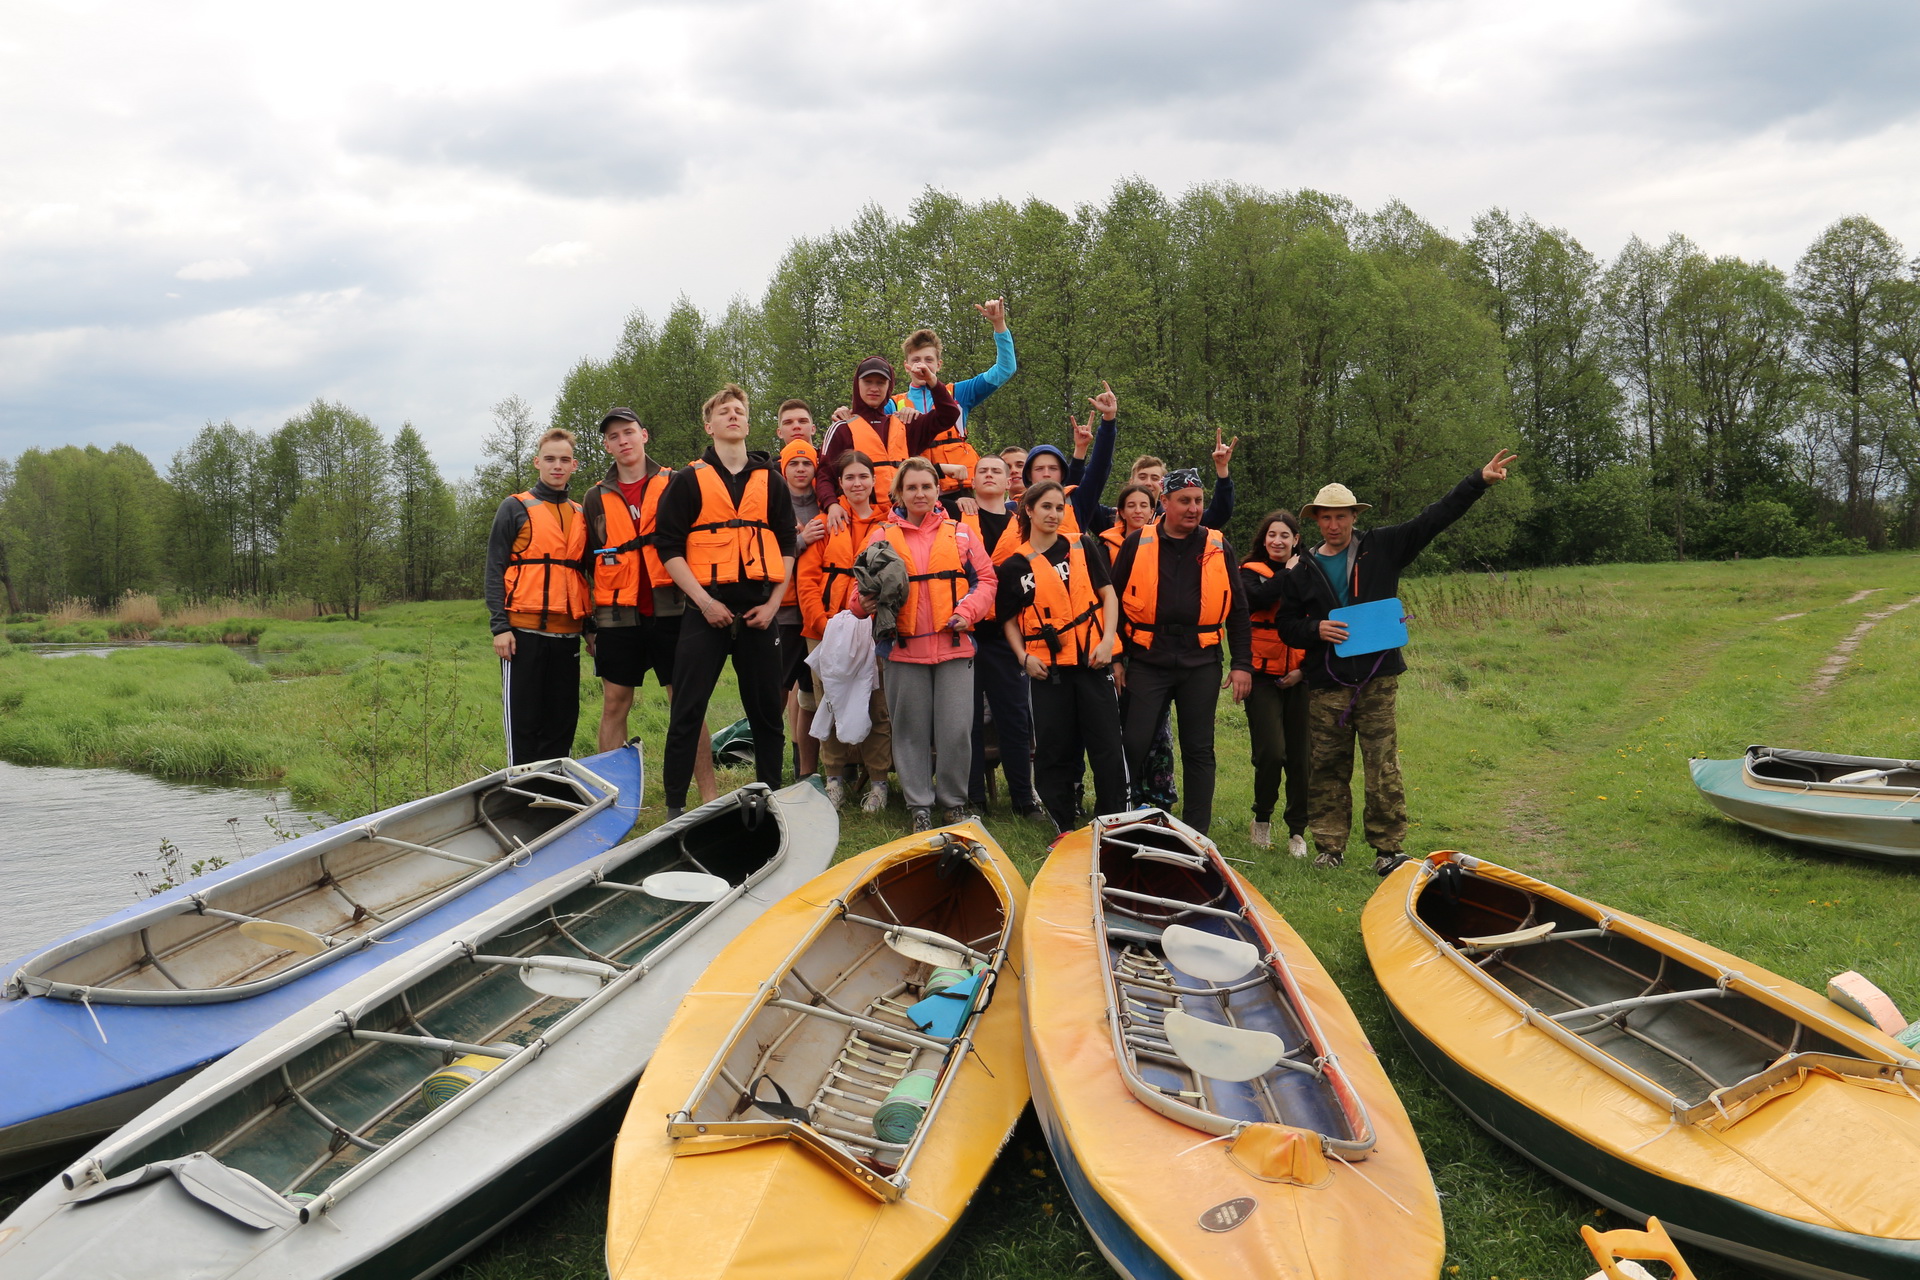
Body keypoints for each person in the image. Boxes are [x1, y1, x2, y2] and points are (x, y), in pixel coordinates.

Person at [1276, 450, 1519, 873]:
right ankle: (1329, 848)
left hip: (1377, 679)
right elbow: (1286, 624)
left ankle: (1388, 850)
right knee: (1328, 767)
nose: (1333, 525)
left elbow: (1435, 517)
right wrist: (1315, 630)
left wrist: (1477, 481)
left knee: (1382, 765)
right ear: (1315, 520)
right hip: (1327, 684)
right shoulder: (1302, 569)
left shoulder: (1383, 547)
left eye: (1341, 516)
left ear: (1354, 516)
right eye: (1325, 518)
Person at [653, 384, 799, 819]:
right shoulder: (687, 480)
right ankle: (676, 807)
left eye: (740, 410)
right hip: (706, 610)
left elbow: (788, 545)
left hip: (758, 611)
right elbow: (668, 547)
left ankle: (770, 798)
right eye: (724, 411)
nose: (733, 415)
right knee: (686, 711)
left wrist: (774, 605)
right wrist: (702, 601)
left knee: (767, 712)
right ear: (709, 425)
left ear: (748, 423)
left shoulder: (770, 480)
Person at [851, 457, 996, 832]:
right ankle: (919, 805)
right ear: (898, 492)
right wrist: (863, 603)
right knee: (911, 730)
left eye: (926, 487)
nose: (919, 494)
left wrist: (968, 611)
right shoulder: (882, 535)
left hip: (954, 644)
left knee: (956, 731)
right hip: (903, 650)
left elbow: (986, 580)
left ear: (937, 491)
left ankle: (953, 804)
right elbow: (858, 595)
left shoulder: (961, 533)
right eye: (911, 487)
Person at [580, 408, 717, 798]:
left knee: (686, 704)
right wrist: (589, 625)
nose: (622, 441)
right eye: (613, 436)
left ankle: (709, 795)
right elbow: (587, 561)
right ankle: (610, 799)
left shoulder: (676, 483)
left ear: (644, 435)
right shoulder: (594, 498)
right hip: (617, 617)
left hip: (674, 611)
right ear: (606, 446)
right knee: (614, 703)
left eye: (628, 432)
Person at [1109, 468, 1253, 836]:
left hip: (1200, 661)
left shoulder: (1218, 546)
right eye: (1185, 501)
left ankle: (1196, 832)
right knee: (1134, 741)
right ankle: (1114, 818)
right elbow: (1112, 603)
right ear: (1165, 504)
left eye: (1198, 501)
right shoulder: (1137, 543)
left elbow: (1237, 610)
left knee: (1199, 748)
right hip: (1148, 659)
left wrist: (1241, 664)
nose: (1193, 509)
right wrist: (1115, 657)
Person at [999, 481, 1125, 832]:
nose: (1054, 514)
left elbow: (1108, 595)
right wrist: (1023, 657)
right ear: (1029, 510)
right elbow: (1007, 620)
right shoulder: (1015, 566)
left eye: (1060, 508)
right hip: (1048, 671)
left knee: (1106, 746)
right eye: (1047, 507)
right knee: (1055, 750)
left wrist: (1108, 639)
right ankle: (1062, 823)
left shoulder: (1082, 545)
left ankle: (1110, 821)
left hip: (1092, 662)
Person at [795, 450, 895, 812]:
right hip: (826, 628)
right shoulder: (825, 524)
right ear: (840, 483)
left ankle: (879, 782)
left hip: (874, 629)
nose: (857, 484)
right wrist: (822, 624)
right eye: (849, 478)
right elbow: (806, 580)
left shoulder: (889, 525)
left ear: (873, 481)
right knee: (829, 702)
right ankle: (834, 778)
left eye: (863, 477)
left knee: (877, 705)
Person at [487, 429, 590, 765]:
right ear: (537, 462)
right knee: (524, 724)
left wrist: (591, 630)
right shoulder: (514, 508)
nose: (557, 466)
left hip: (567, 637)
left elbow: (584, 575)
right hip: (522, 636)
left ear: (573, 464)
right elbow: (494, 569)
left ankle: (557, 793)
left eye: (564, 460)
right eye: (550, 459)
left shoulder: (580, 514)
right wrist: (500, 627)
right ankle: (522, 792)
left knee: (561, 722)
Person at [958, 453, 1039, 816]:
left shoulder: (1023, 524)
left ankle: (1023, 798)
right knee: (967, 720)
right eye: (982, 471)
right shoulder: (954, 518)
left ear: (1010, 482)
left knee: (1014, 718)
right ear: (972, 481)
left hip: (1008, 635)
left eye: (997, 471)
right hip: (966, 634)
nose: (989, 475)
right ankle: (974, 798)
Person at [893, 299, 1017, 510]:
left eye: (929, 360)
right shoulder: (893, 404)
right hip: (916, 493)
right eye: (916, 360)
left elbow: (1005, 369)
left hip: (958, 493)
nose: (922, 365)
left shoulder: (959, 393)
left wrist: (999, 325)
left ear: (939, 365)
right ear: (906, 366)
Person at [1241, 510, 1310, 857]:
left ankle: (1297, 831)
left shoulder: (1312, 572)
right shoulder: (1249, 574)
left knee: (1300, 756)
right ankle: (1262, 819)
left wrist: (1304, 670)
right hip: (1262, 676)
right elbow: (1264, 598)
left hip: (1300, 675)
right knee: (1271, 752)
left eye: (1285, 535)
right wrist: (1291, 572)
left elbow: (1321, 621)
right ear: (1263, 539)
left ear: (1296, 540)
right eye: (1272, 535)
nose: (1278, 541)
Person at [816, 357, 959, 509]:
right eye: (868, 382)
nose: (874, 388)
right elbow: (825, 476)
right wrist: (831, 505)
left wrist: (931, 380)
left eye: (880, 382)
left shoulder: (906, 424)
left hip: (902, 517)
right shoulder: (842, 428)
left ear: (889, 386)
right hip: (861, 519)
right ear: (857, 385)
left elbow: (949, 414)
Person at [777, 438, 826, 782]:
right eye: (793, 464)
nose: (799, 470)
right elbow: (764, 550)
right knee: (776, 692)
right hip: (783, 612)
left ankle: (806, 772)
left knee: (810, 696)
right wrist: (801, 539)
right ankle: (769, 768)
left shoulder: (828, 504)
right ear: (783, 468)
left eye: (806, 463)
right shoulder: (774, 504)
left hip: (818, 613)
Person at [1021, 382, 1119, 539]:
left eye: (1053, 468)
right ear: (1029, 475)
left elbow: (1099, 468)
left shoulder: (1078, 502)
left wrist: (1108, 420)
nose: (1046, 474)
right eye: (1039, 469)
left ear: (1062, 475)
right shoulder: (1013, 509)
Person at [1098, 482, 1157, 563]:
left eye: (1143, 506)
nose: (1138, 511)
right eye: (1131, 506)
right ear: (1122, 512)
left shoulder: (1162, 544)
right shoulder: (1106, 547)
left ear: (1151, 512)